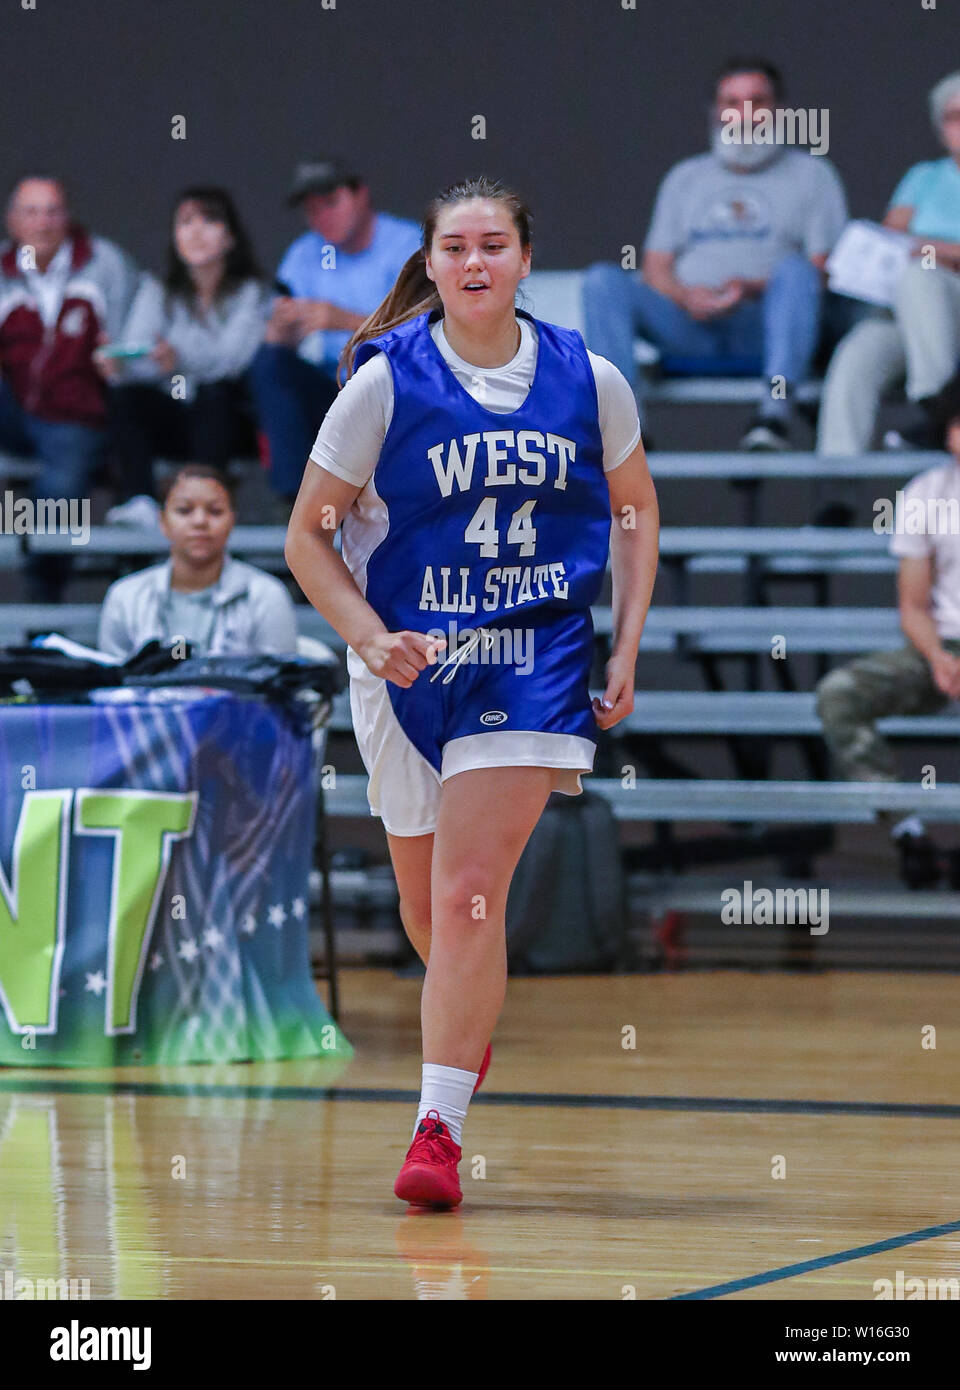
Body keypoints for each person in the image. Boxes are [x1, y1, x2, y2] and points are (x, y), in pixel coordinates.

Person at [284, 175, 659, 1208]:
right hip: (404, 655)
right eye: (456, 248)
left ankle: (436, 1130)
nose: (475, 263)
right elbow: (305, 538)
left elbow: (633, 510)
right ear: (434, 263)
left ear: (526, 259)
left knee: (467, 891)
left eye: (494, 244)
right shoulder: (382, 382)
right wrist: (366, 634)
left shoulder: (589, 379)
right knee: (430, 911)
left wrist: (624, 641)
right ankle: (464, 1034)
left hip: (529, 655)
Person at [582, 57, 848, 450]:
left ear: (780, 111)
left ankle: (772, 418)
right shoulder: (685, 177)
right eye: (732, 102)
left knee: (795, 272)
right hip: (691, 325)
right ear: (716, 112)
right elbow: (655, 267)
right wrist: (688, 297)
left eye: (757, 101)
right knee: (602, 281)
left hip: (768, 327)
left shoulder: (813, 175)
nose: (744, 114)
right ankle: (627, 431)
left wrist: (753, 287)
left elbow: (826, 270)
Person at [815, 408, 960, 890]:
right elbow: (913, 605)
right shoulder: (927, 492)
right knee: (840, 694)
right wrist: (939, 656)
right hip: (939, 647)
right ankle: (908, 831)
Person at [248, 158, 422, 518]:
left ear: (361, 194)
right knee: (269, 363)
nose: (321, 217)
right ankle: (295, 504)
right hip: (333, 389)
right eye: (311, 210)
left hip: (398, 390)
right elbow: (279, 340)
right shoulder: (304, 253)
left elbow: (430, 332)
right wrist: (281, 329)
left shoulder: (409, 244)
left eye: (330, 203)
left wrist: (343, 319)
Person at [97, 187, 271, 528]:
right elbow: (139, 349)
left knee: (215, 394)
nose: (195, 232)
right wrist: (119, 365)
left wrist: (177, 358)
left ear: (230, 237)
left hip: (231, 421)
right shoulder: (158, 289)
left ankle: (204, 502)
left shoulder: (250, 292)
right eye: (185, 222)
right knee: (126, 397)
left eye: (208, 221)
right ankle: (140, 501)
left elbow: (231, 360)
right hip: (177, 413)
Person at [0, 174, 138, 599]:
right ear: (11, 221)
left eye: (52, 210)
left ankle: (43, 592)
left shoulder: (104, 264)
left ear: (67, 217)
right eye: (31, 211)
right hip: (12, 409)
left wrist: (120, 357)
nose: (43, 222)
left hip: (76, 411)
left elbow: (133, 345)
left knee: (61, 489)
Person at [817, 71, 960, 464]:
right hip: (918, 320)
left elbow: (915, 249)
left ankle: (934, 406)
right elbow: (892, 239)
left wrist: (934, 249)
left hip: (950, 302)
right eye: (952, 117)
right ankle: (836, 500)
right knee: (857, 355)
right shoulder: (923, 178)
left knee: (922, 272)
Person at [97, 463, 298, 659]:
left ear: (232, 521)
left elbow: (280, 683)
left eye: (215, 511)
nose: (200, 521)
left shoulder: (266, 595)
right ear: (162, 521)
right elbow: (113, 685)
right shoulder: (124, 596)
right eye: (184, 510)